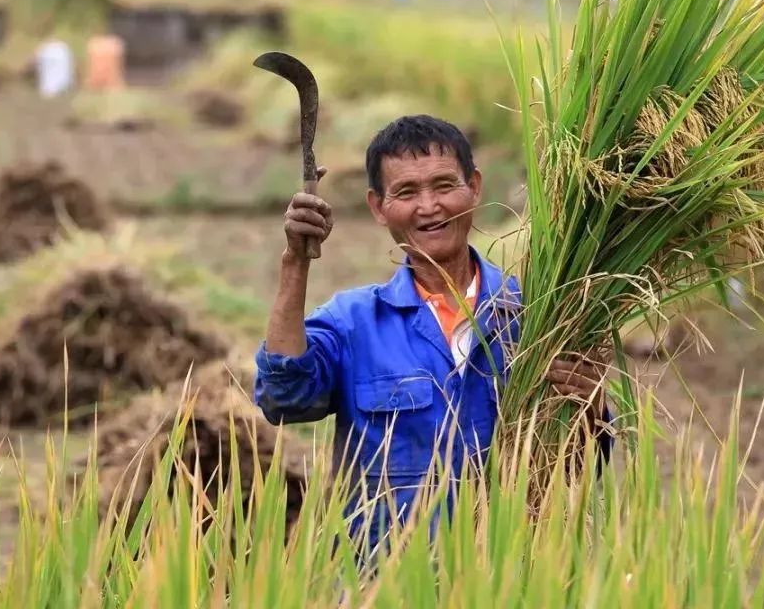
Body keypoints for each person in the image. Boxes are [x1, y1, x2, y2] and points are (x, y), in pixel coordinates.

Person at [253, 114, 610, 555]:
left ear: (474, 186)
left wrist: (592, 405)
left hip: (513, 579)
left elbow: (581, 465)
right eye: (406, 192)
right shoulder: (354, 322)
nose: (428, 206)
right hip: (384, 585)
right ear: (378, 207)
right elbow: (284, 398)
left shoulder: (538, 317)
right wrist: (295, 263)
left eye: (444, 185)